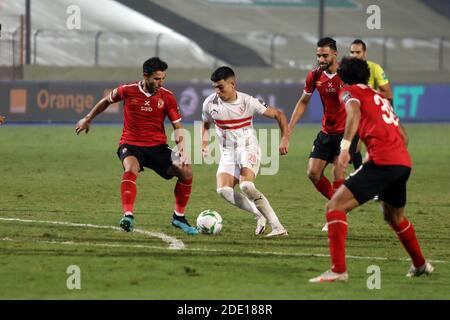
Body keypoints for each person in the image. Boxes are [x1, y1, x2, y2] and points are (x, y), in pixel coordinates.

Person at [309, 57, 434, 283]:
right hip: (402, 163)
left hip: (384, 163)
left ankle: (338, 270)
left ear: (344, 77)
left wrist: (345, 148)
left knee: (334, 206)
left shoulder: (348, 92)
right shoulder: (379, 96)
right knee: (394, 217)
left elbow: (354, 114)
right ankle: (421, 264)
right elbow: (404, 137)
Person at [75, 57, 198, 235]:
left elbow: (177, 127)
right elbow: (106, 101)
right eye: (157, 78)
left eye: (163, 78)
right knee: (131, 167)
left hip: (157, 147)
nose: (160, 82)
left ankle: (178, 217)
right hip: (131, 144)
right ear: (145, 76)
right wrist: (88, 118)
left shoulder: (167, 96)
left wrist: (182, 150)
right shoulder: (127, 90)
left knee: (186, 170)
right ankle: (128, 215)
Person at [201, 66, 289, 237]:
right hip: (227, 153)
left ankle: (278, 227)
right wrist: (204, 143)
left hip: (248, 147)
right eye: (215, 88)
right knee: (223, 190)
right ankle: (259, 215)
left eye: (221, 87)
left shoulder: (248, 102)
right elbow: (205, 124)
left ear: (232, 84)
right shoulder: (209, 104)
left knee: (246, 185)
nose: (217, 92)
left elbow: (279, 115)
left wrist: (285, 138)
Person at [288, 37, 358, 204]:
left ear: (335, 54)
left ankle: (336, 214)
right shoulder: (314, 75)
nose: (321, 60)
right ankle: (338, 206)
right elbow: (303, 101)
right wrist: (289, 129)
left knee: (338, 173)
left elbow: (359, 104)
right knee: (313, 173)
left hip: (344, 133)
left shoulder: (347, 74)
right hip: (326, 132)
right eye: (318, 56)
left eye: (325, 56)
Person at [349, 39, 394, 170]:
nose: (354, 55)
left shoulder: (374, 68)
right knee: (351, 151)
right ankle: (361, 177)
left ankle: (370, 179)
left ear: (365, 53)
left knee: (375, 152)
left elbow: (389, 95)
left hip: (374, 115)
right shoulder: (346, 70)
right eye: (352, 52)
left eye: (358, 52)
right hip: (356, 114)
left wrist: (368, 94)